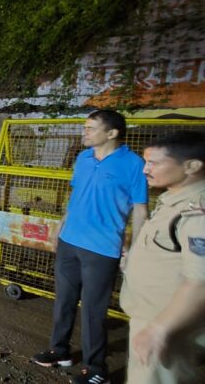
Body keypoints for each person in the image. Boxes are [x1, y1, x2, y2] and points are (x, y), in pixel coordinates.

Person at [31, 110, 148, 384]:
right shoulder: (83, 159)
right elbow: (76, 197)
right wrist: (61, 226)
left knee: (94, 310)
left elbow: (141, 210)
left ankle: (96, 369)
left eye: (91, 128)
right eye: (85, 127)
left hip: (102, 248)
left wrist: (133, 248)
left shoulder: (133, 164)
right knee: (64, 301)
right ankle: (59, 350)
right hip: (70, 241)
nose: (85, 132)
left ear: (112, 133)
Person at [120, 131, 205, 384]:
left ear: (192, 166)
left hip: (168, 324)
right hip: (152, 318)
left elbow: (200, 283)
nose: (145, 169)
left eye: (154, 163)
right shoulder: (174, 199)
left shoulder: (197, 212)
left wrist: (159, 330)